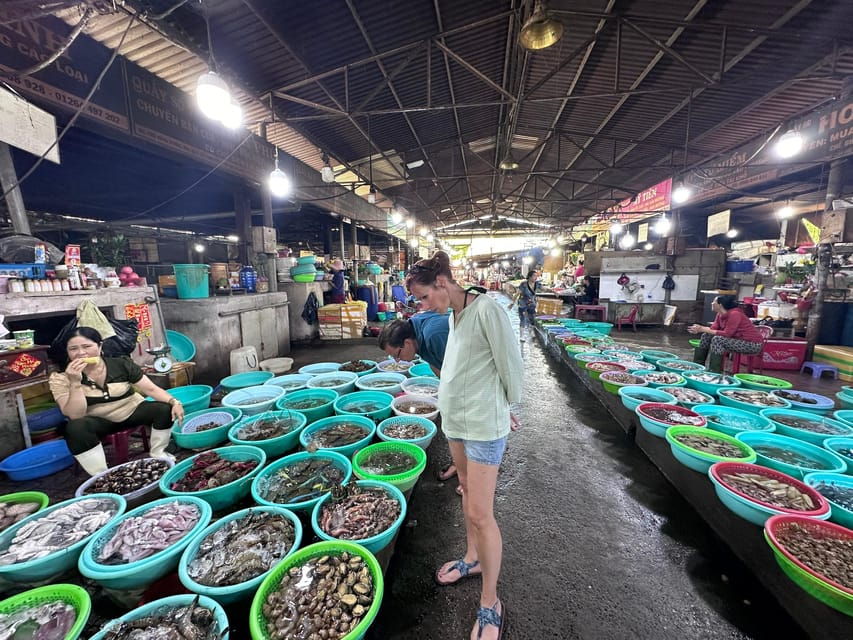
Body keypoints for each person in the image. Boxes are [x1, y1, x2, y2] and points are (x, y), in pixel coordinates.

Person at [407, 251, 521, 640]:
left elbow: (511, 363)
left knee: (480, 512)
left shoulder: (486, 308)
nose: (422, 307)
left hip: (484, 424)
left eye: (423, 297)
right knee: (467, 495)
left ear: (441, 283)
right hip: (456, 420)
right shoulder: (453, 313)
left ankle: (490, 600)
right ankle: (472, 559)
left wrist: (507, 405)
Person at [49, 327, 184, 475]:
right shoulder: (61, 378)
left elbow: (151, 390)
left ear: (100, 346)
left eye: (87, 346)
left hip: (132, 411)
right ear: (68, 353)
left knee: (164, 409)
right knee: (75, 427)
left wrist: (174, 402)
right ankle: (101, 475)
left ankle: (159, 454)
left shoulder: (121, 364)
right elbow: (75, 414)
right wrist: (75, 382)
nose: (81, 353)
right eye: (73, 349)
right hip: (98, 421)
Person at [688, 295, 764, 372]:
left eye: (714, 301)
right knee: (706, 335)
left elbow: (727, 334)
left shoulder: (735, 314)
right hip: (737, 340)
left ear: (720, 305)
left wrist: (703, 329)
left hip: (753, 344)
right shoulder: (720, 314)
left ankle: (714, 371)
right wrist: (699, 329)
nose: (712, 303)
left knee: (718, 340)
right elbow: (712, 330)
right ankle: (698, 367)